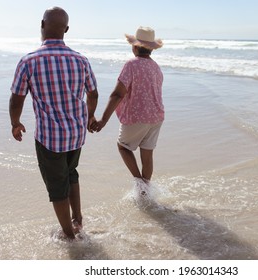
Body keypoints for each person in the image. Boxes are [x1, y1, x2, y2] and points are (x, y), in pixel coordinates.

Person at [9, 7, 99, 240]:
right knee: (71, 174)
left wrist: (15, 123)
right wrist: (90, 116)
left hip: (50, 138)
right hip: (76, 135)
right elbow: (93, 93)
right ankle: (77, 220)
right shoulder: (81, 60)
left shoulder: (29, 61)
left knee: (57, 187)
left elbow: (17, 97)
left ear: (42, 25)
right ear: (66, 30)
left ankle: (69, 236)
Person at [92, 26, 164, 196]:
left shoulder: (131, 65)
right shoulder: (156, 67)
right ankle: (145, 192)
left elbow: (117, 94)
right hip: (157, 116)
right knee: (147, 154)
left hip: (137, 116)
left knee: (123, 147)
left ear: (134, 47)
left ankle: (140, 185)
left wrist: (103, 120)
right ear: (152, 49)